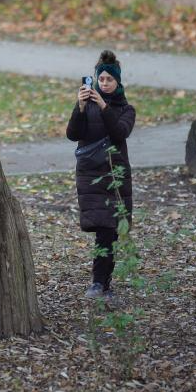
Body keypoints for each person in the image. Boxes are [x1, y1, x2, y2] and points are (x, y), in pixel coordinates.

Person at [66, 49, 136, 301]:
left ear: (118, 82)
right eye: (101, 79)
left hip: (115, 178)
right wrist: (81, 107)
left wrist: (104, 106)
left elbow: (120, 132)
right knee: (103, 230)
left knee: (110, 231)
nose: (104, 84)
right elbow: (73, 134)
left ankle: (101, 284)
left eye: (109, 80)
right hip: (91, 176)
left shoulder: (127, 109)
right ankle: (100, 284)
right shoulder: (88, 106)